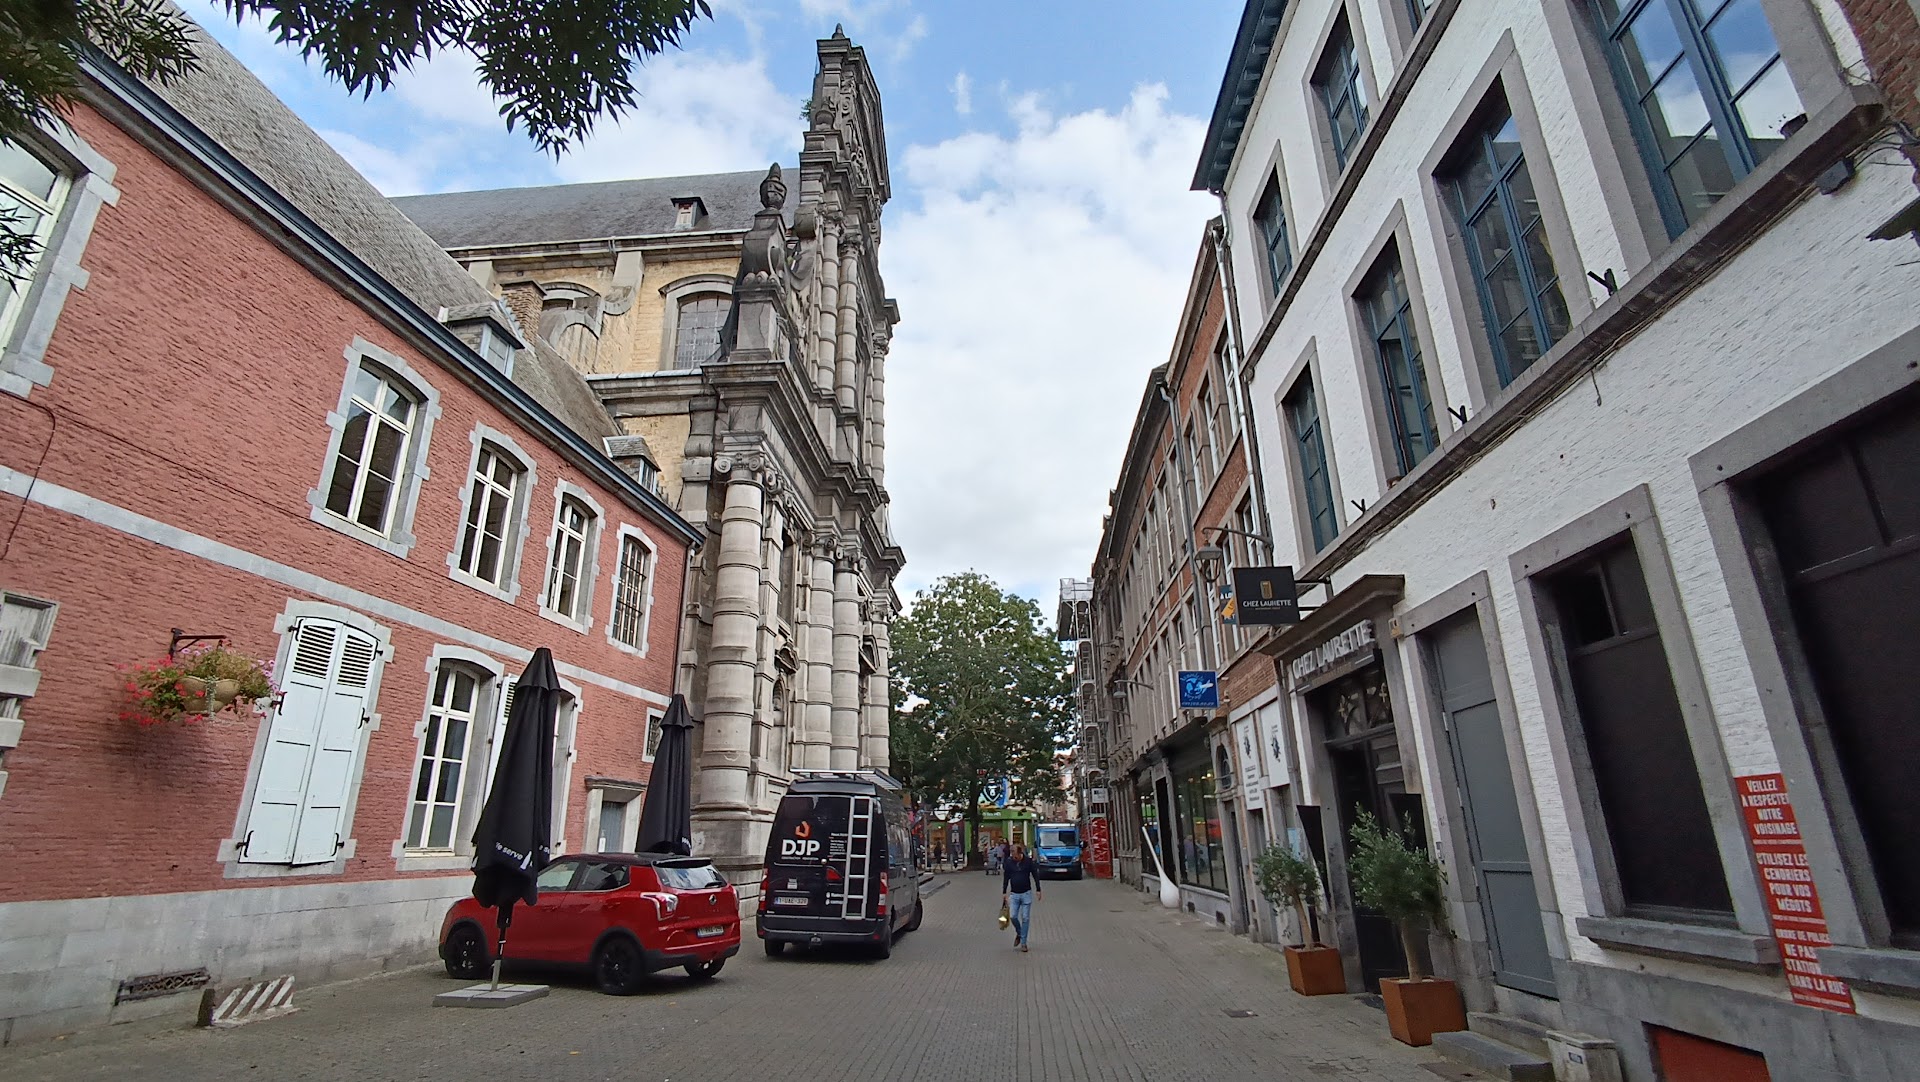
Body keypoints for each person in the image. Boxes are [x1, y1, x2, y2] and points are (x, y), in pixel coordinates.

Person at [1002, 842, 1043, 952]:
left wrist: (1038, 889)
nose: (1012, 856)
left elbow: (1035, 875)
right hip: (1014, 894)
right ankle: (1019, 933)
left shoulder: (1028, 862)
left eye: (1014, 853)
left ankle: (1023, 943)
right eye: (1011, 853)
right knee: (1013, 916)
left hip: (1026, 894)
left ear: (1020, 853)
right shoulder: (1009, 862)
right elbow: (1006, 877)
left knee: (1025, 918)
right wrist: (1004, 891)